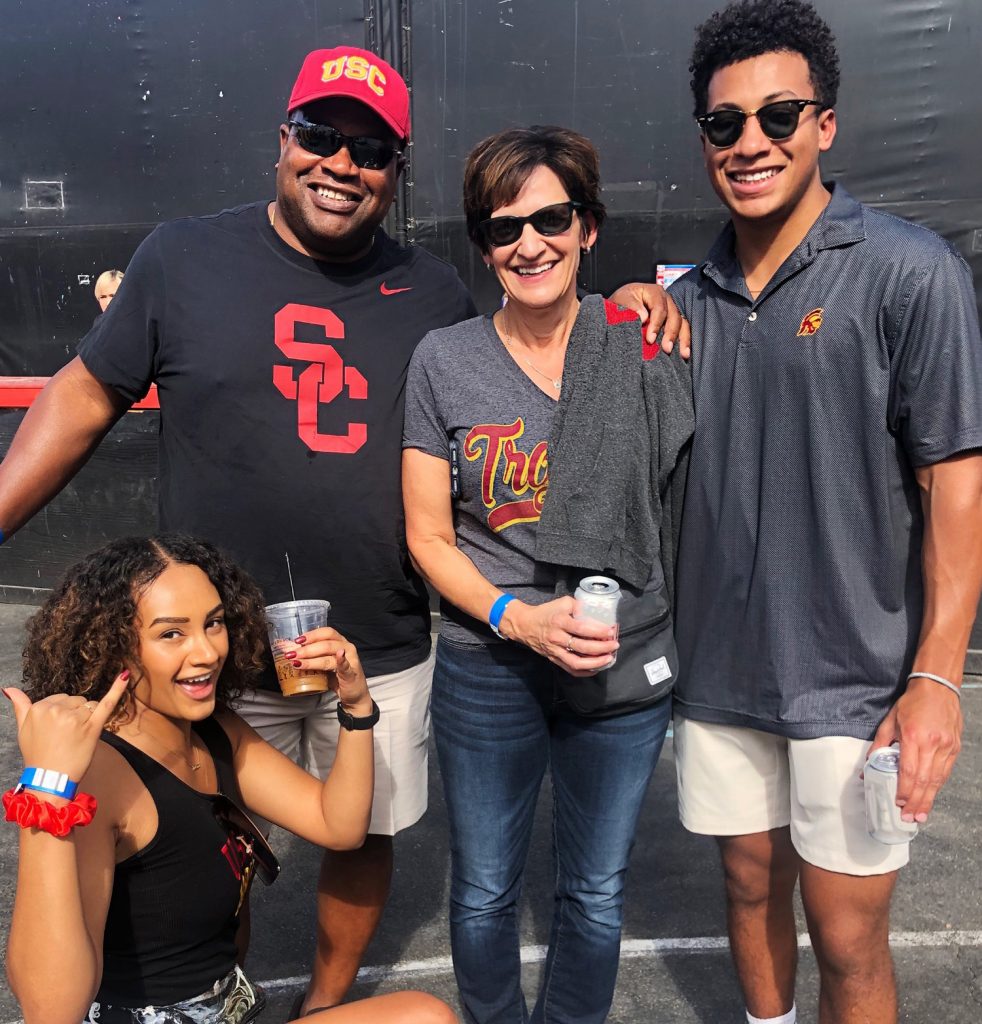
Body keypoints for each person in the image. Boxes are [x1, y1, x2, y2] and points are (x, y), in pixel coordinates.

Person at [0, 47, 686, 1011]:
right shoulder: (184, 255)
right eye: (319, 136)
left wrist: (626, 300)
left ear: (395, 171)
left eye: (368, 149)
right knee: (204, 838)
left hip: (381, 639)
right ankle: (199, 993)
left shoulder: (436, 294)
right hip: (219, 645)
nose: (340, 163)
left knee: (362, 835)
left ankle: (326, 1001)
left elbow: (541, 328)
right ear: (283, 141)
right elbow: (85, 392)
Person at [666, 3, 982, 1023]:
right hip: (718, 673)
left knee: (849, 939)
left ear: (825, 124)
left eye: (778, 115)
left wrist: (934, 673)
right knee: (747, 891)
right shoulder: (690, 294)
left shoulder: (908, 270)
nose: (750, 141)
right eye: (725, 124)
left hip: (856, 681)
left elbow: (955, 491)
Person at [402, 125, 692, 1024]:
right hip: (490, 663)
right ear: (484, 245)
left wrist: (649, 301)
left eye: (551, 218)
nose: (529, 243)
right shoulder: (443, 361)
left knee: (594, 891)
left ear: (589, 227)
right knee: (486, 889)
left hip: (619, 651)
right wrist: (514, 617)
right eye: (502, 227)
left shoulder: (641, 341)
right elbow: (428, 537)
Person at [3, 533, 456, 1024]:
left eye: (213, 623)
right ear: (112, 647)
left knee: (424, 1016)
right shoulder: (100, 775)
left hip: (227, 1011)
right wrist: (46, 787)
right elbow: (51, 1012)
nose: (206, 652)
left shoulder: (214, 731)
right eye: (171, 633)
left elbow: (339, 826)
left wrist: (356, 705)